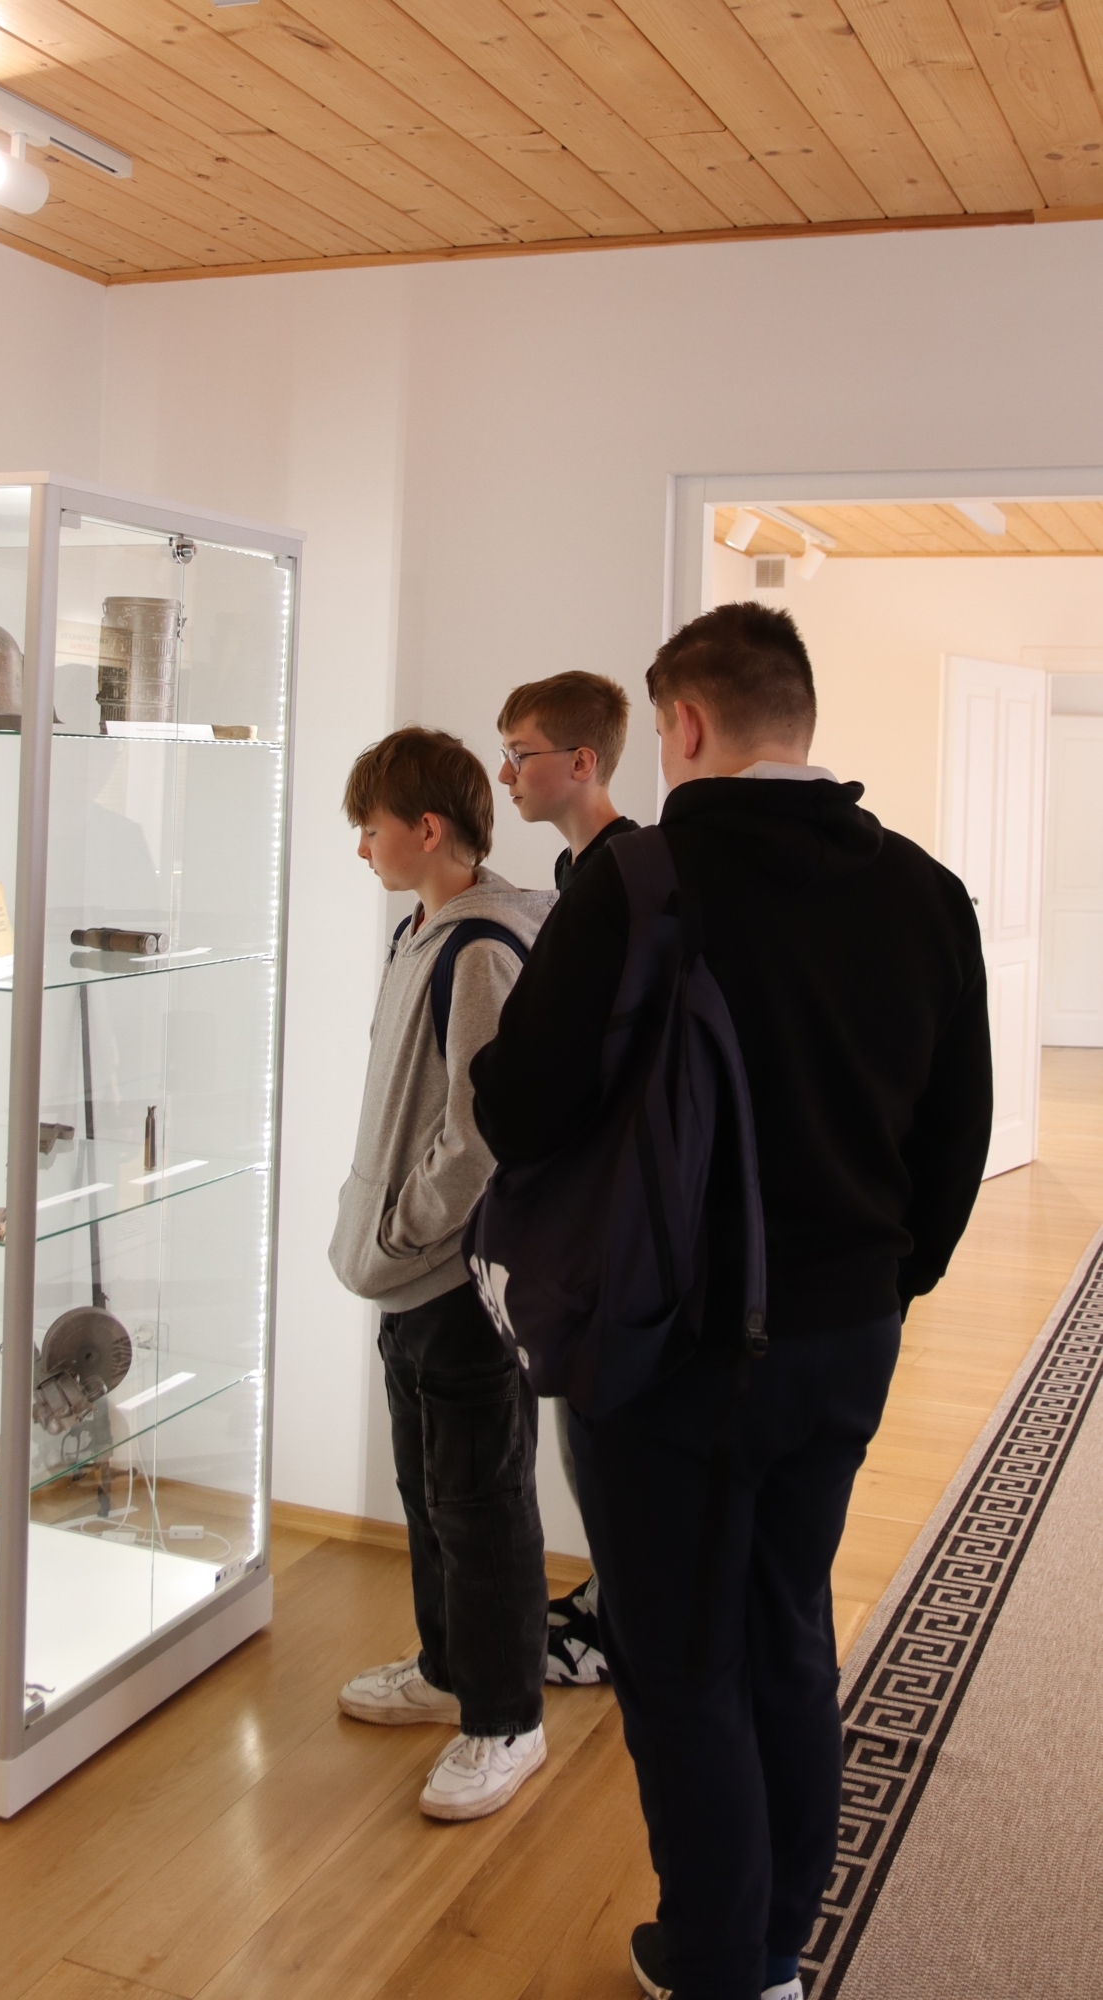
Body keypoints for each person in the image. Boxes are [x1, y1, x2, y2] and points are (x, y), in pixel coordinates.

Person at [471, 604, 991, 1999]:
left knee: (680, 1660)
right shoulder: (926, 890)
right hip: (847, 1340)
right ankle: (772, 1946)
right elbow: (957, 1140)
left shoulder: (640, 881)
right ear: (798, 717)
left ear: (686, 724)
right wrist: (880, 1282)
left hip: (671, 1345)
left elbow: (518, 1107)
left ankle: (717, 1964)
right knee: (787, 1629)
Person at [330, 725, 555, 1822]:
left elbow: (478, 1134)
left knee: (481, 1503)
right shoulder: (416, 931)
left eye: (370, 825)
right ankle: (446, 1671)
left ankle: (506, 1719)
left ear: (427, 829)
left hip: (455, 1281)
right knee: (426, 1492)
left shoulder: (480, 951)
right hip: (403, 1273)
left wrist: (408, 1227)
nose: (360, 844)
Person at [496, 669, 638, 1688]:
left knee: (603, 1436)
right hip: (583, 1201)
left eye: (521, 754)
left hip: (610, 1210)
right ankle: (606, 1601)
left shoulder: (625, 877)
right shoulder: (578, 871)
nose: (506, 773)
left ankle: (619, 1627)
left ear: (581, 762)